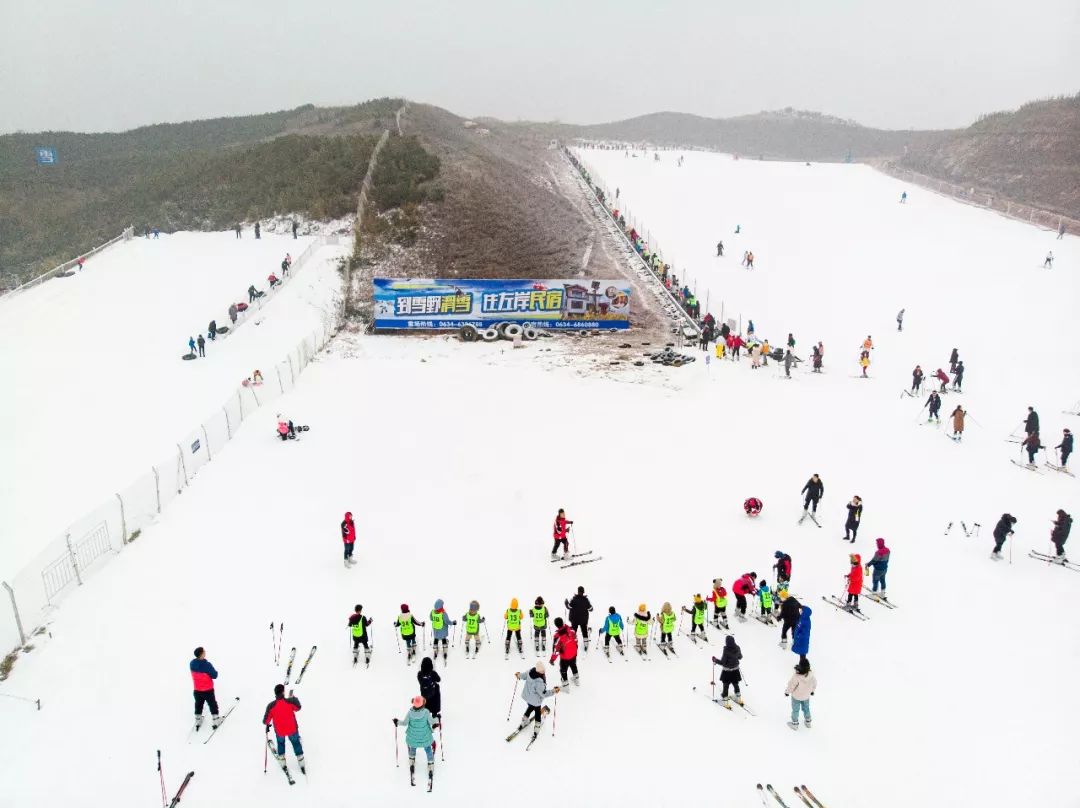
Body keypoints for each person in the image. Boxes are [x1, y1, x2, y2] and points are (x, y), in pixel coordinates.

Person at [394, 696, 436, 787]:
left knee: (412, 747)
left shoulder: (410, 713)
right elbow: (432, 722)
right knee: (428, 749)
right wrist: (438, 719)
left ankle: (411, 760)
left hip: (413, 737)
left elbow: (404, 723)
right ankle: (430, 765)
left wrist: (397, 722)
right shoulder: (426, 712)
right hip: (425, 737)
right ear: (423, 703)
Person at [512, 663, 558, 742]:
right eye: (542, 671)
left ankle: (524, 720)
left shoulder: (531, 671)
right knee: (537, 712)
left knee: (530, 707)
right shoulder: (539, 682)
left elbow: (523, 675)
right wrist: (553, 691)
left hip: (527, 696)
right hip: (535, 700)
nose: (544, 672)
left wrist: (519, 675)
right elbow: (543, 694)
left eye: (544, 670)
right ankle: (537, 727)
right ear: (539, 671)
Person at [263, 684, 304, 775]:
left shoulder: (271, 706)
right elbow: (298, 707)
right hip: (292, 729)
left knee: (281, 743)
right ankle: (301, 761)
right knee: (296, 743)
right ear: (283, 692)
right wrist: (294, 698)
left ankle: (282, 761)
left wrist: (267, 724)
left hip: (280, 731)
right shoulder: (290, 701)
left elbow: (265, 721)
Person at [190, 647, 221, 729]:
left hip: (197, 690)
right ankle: (216, 719)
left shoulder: (192, 663)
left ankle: (198, 719)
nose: (205, 652)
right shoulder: (207, 665)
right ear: (201, 654)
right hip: (207, 690)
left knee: (198, 704)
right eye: (204, 651)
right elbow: (215, 675)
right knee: (212, 704)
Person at [785, 658, 818, 730]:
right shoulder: (811, 675)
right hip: (806, 696)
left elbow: (791, 685)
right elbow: (814, 684)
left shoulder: (796, 676)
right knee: (806, 708)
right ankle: (808, 721)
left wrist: (787, 692)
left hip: (796, 697)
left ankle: (795, 723)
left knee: (795, 710)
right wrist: (812, 691)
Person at [712, 635, 744, 706]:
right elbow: (740, 657)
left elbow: (723, 662)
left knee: (726, 684)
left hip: (727, 671)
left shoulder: (726, 650)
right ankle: (738, 698)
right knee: (735, 683)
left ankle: (725, 699)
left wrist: (715, 660)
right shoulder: (737, 647)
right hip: (735, 670)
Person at [550, 617, 580, 688]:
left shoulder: (557, 636)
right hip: (574, 653)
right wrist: (575, 648)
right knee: (573, 665)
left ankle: (565, 686)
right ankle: (577, 679)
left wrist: (552, 659)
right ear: (563, 623)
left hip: (565, 657)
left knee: (563, 670)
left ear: (556, 625)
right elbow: (576, 639)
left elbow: (555, 650)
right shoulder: (571, 629)